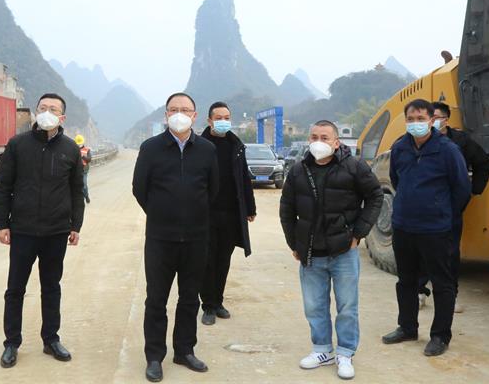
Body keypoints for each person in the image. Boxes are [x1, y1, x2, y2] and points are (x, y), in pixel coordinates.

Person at [280, 120, 383, 380]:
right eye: (314, 136)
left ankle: (345, 353)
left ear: (336, 142)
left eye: (325, 137)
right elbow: (287, 209)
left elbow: (375, 196)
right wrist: (294, 243)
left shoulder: (354, 166)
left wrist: (359, 233)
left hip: (343, 251)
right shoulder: (299, 170)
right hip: (311, 253)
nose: (319, 142)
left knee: (347, 306)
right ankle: (322, 350)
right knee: (314, 306)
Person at [0, 93, 85, 368]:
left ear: (62, 117)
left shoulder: (70, 149)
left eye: (53, 109)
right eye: (42, 107)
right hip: (23, 230)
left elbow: (76, 190)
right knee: (15, 288)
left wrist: (76, 225)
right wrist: (1, 223)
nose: (47, 112)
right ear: (35, 112)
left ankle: (51, 339)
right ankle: (12, 343)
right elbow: (3, 186)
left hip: (56, 231)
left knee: (51, 287)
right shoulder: (17, 145)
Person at [132, 92, 219, 383]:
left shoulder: (206, 149)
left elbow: (213, 190)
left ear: (195, 116)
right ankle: (154, 356)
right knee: (156, 299)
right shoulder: (151, 148)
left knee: (189, 298)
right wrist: (161, 213)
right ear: (166, 115)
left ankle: (184, 351)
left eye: (185, 109)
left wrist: (193, 215)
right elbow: (139, 188)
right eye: (173, 109)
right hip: (160, 238)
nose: (179, 114)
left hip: (196, 238)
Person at [382, 99, 470, 357]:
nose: (415, 123)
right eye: (411, 119)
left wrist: (443, 214)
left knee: (442, 283)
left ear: (432, 120)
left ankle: (440, 336)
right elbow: (396, 179)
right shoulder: (400, 148)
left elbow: (461, 188)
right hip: (404, 226)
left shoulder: (448, 150)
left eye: (421, 119)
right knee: (406, 281)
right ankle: (407, 327)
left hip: (436, 229)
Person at [418, 101, 489, 308]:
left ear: (446, 119)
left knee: (449, 252)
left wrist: (474, 190)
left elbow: (483, 163)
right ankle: (419, 290)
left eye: (436, 117)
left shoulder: (460, 141)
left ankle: (450, 295)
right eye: (429, 117)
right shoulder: (415, 141)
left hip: (450, 207)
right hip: (422, 207)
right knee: (421, 249)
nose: (431, 121)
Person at [199, 101, 256, 326]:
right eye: (218, 118)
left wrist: (250, 208)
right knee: (207, 260)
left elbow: (244, 177)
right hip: (206, 214)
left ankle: (218, 302)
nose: (223, 121)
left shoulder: (236, 145)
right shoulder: (200, 145)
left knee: (223, 260)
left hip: (231, 213)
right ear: (209, 120)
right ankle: (208, 305)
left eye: (226, 117)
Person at [74, 134, 92, 204]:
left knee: (84, 185)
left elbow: (89, 159)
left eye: (80, 143)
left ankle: (86, 196)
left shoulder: (87, 150)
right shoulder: (74, 150)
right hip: (76, 170)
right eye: (78, 144)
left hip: (84, 170)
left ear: (83, 142)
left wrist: (82, 156)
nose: (79, 145)